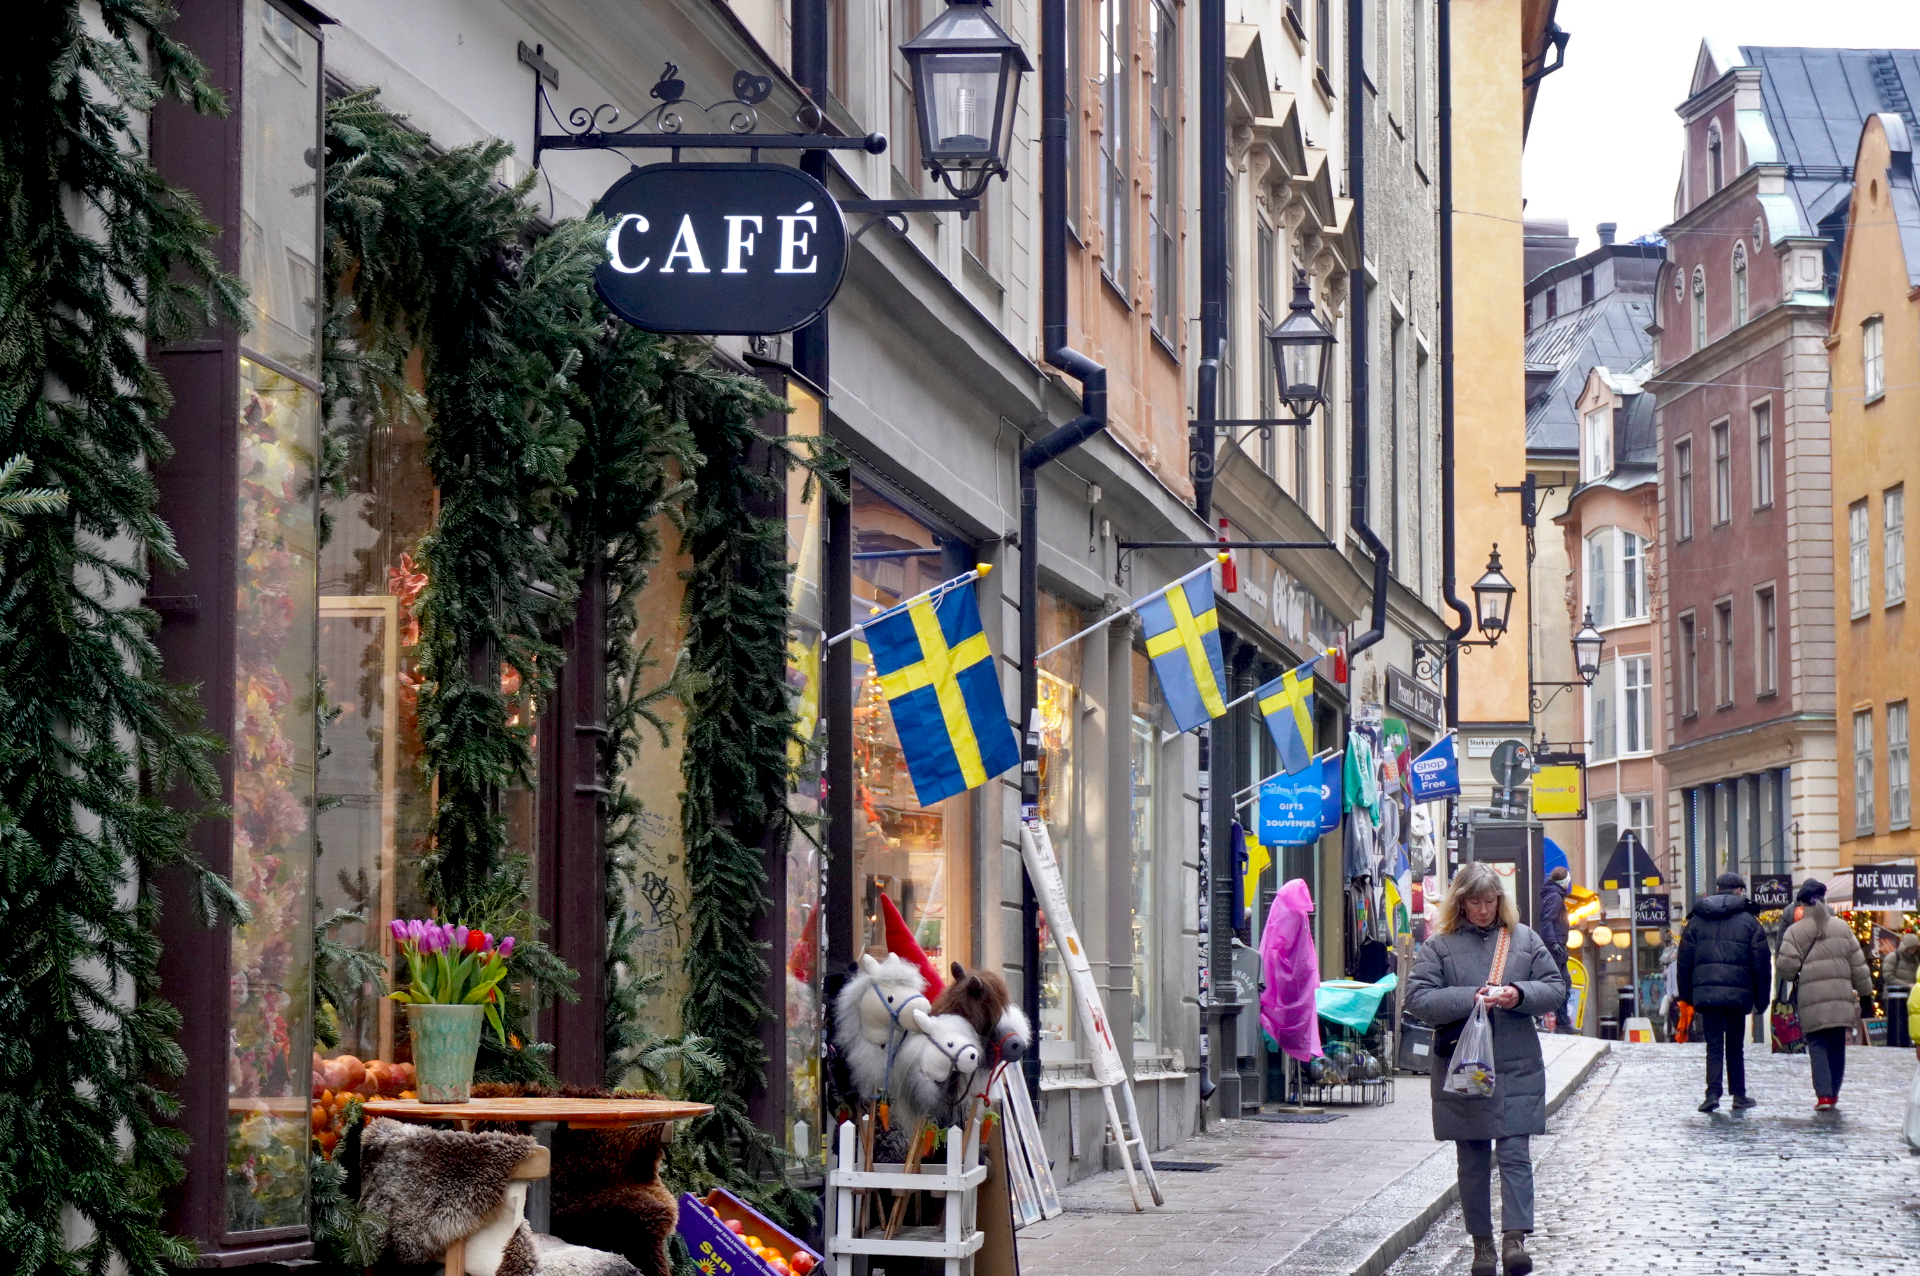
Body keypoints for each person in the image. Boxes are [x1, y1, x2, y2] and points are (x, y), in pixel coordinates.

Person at [1407, 862, 1567, 1276]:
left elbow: (1555, 988)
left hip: (1515, 1065)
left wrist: (1519, 994)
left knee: (1515, 1154)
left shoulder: (1524, 939)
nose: (1483, 909)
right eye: (1474, 901)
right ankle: (1482, 1246)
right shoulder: (1439, 946)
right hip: (1465, 1069)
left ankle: (1515, 1240)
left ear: (1501, 900)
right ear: (1461, 902)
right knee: (1473, 1160)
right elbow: (1418, 1000)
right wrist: (1470, 997)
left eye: (1490, 900)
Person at [1676, 871, 1770, 1112]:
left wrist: (1687, 997)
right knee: (1735, 1046)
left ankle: (1712, 1094)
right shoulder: (1750, 922)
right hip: (1737, 995)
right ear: (1739, 891)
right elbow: (1761, 963)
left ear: (1717, 889)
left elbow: (1684, 961)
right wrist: (1762, 999)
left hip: (1707, 994)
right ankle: (1739, 1095)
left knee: (1714, 1045)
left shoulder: (1697, 920)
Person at [1775, 878, 1873, 1110]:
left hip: (1811, 999)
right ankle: (1834, 1093)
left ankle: (1824, 1095)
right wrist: (1866, 996)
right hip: (1840, 998)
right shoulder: (1842, 928)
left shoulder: (1795, 932)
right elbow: (1859, 966)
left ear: (1802, 905)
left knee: (1817, 1044)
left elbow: (1786, 970)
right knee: (1837, 1045)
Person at [1537, 865, 1574, 1032]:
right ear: (1565, 882)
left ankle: (1562, 1022)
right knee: (1560, 984)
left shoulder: (1551, 894)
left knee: (1560, 983)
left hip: (1556, 945)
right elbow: (1547, 921)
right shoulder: (1556, 897)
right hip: (1556, 947)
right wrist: (1554, 943)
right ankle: (1560, 1022)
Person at [1886, 931, 1919, 1050]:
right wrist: (1907, 985)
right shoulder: (1893, 957)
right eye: (1911, 948)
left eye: (1915, 948)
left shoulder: (1915, 959)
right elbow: (1888, 977)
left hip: (1910, 996)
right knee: (1897, 1024)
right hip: (1896, 997)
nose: (1913, 951)